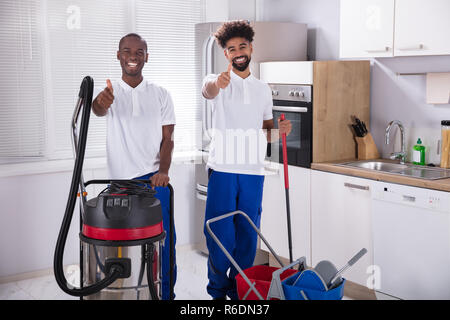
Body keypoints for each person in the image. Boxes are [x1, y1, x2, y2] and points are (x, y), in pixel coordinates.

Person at [201, 21, 292, 300]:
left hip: (253, 170)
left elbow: (266, 131)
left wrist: (279, 132)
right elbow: (208, 90)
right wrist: (218, 82)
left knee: (247, 236)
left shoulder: (263, 88)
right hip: (224, 169)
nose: (238, 52)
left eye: (242, 46)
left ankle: (241, 289)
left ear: (251, 48)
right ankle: (217, 291)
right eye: (231, 49)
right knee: (220, 235)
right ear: (225, 54)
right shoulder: (218, 81)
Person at [92, 33, 176, 300]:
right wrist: (99, 103)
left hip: (153, 182)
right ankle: (126, 294)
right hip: (119, 184)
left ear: (146, 57)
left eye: (139, 52)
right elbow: (97, 109)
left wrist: (163, 171)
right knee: (123, 247)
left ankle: (165, 294)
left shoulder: (161, 94)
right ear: (118, 55)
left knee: (163, 244)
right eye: (127, 51)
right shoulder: (109, 92)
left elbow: (168, 139)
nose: (133, 56)